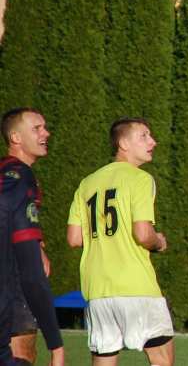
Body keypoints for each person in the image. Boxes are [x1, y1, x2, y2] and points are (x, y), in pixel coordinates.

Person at [67, 118, 174, 366]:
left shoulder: (87, 183)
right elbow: (143, 234)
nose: (153, 141)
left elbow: (73, 238)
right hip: (136, 286)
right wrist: (159, 242)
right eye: (144, 136)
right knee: (162, 360)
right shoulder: (140, 179)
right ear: (123, 143)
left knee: (104, 359)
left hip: (97, 290)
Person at [0, 113, 65, 366]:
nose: (46, 133)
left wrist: (36, 245)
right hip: (11, 283)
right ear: (15, 137)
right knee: (23, 354)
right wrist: (57, 346)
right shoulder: (19, 176)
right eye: (37, 128)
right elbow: (31, 273)